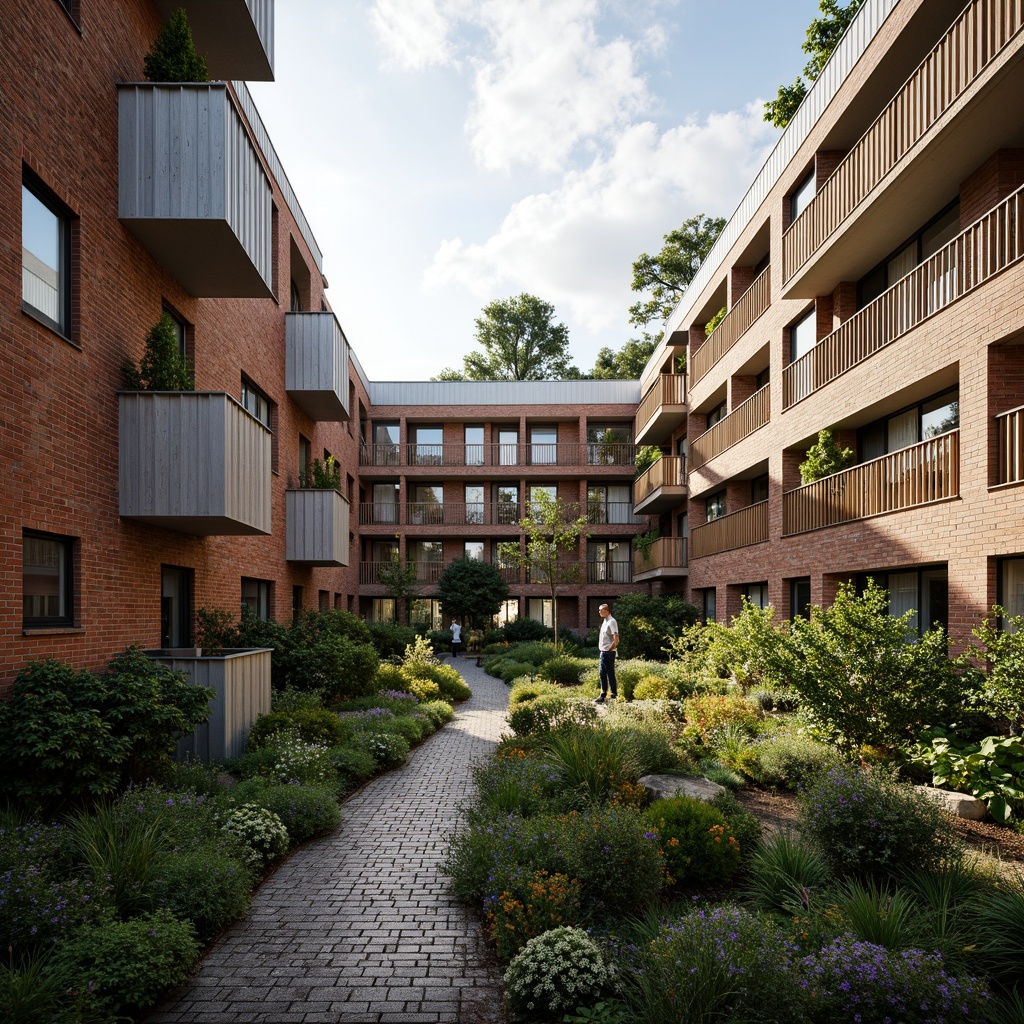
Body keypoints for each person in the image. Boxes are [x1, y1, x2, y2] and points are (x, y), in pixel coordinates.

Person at [595, 603, 618, 703]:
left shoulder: (612, 621)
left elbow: (616, 637)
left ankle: (614, 694)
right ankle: (603, 694)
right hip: (603, 652)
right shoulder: (605, 621)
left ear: (608, 611)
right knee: (602, 673)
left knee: (610, 673)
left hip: (608, 653)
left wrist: (611, 648)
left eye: (601, 610)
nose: (600, 612)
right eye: (599, 610)